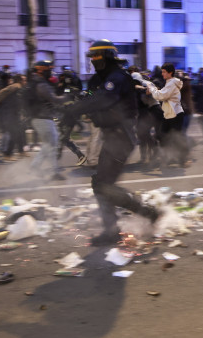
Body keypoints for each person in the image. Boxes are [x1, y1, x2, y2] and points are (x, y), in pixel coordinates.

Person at [63, 40, 158, 246]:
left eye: (97, 57)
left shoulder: (118, 77)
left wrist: (76, 108)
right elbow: (92, 94)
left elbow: (105, 98)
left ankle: (139, 216)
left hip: (122, 136)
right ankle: (128, 221)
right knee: (102, 185)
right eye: (92, 58)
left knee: (102, 185)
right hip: (111, 135)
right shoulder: (101, 78)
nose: (94, 61)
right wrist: (74, 99)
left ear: (106, 56)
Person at [26, 60, 65, 180]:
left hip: (40, 118)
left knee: (49, 144)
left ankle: (39, 167)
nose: (51, 72)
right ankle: (52, 172)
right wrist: (68, 96)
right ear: (41, 70)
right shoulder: (41, 84)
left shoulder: (35, 82)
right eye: (49, 70)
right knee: (51, 145)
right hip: (43, 118)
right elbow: (54, 99)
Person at [146, 63, 188, 166]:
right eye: (162, 71)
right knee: (162, 135)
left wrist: (151, 88)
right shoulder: (170, 82)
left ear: (170, 72)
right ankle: (170, 157)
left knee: (175, 137)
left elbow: (161, 96)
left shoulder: (172, 83)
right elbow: (162, 93)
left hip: (175, 114)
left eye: (164, 72)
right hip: (169, 114)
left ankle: (182, 159)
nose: (162, 73)